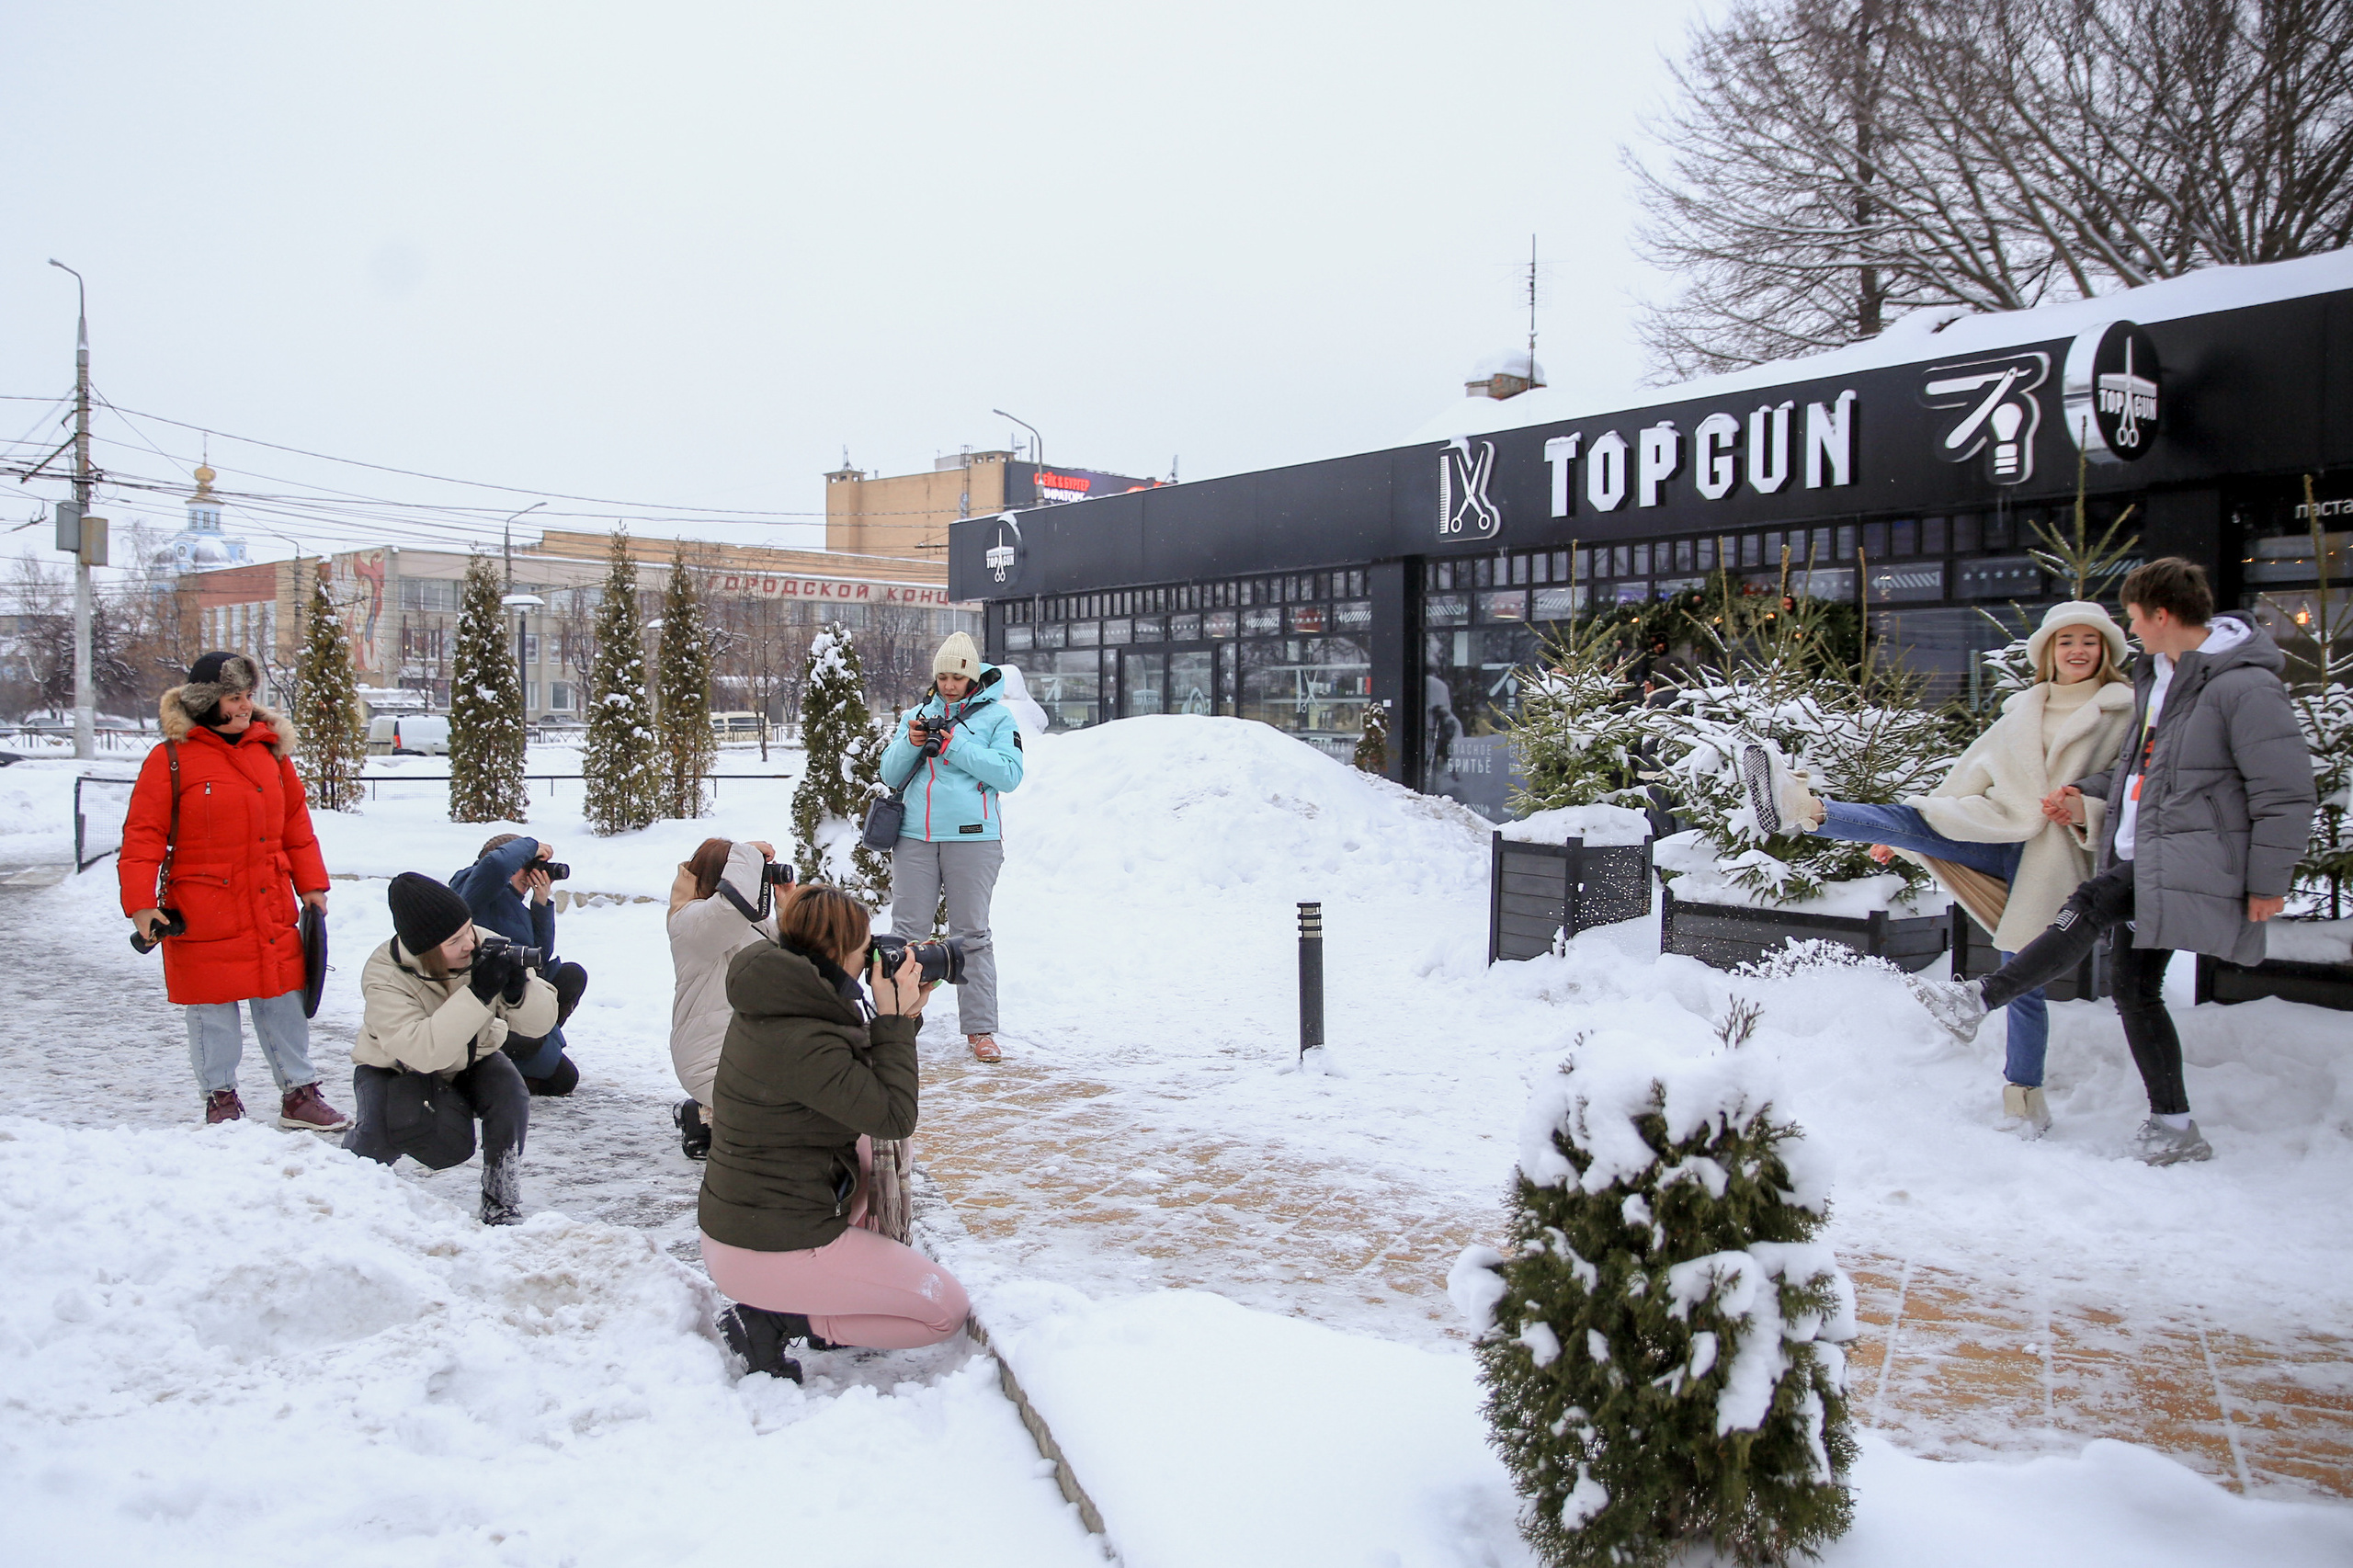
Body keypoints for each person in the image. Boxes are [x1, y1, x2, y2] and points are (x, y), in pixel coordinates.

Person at [1910, 560, 2317, 1165]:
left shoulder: (2242, 687)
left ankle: (1980, 999)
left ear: (2162, 616)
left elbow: (2285, 792)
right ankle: (2174, 1126)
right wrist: (2089, 793)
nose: (2130, 634)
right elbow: (2135, 765)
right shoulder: (2160, 677)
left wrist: (2268, 882)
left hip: (2196, 853)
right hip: (2144, 849)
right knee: (2135, 990)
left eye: (2132, 619)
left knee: (2092, 903)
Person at [1742, 602, 2136, 1137]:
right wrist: (1913, 840)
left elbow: (2127, 785)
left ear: (2106, 650)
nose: (2077, 651)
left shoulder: (2124, 710)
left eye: (2089, 641)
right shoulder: (2023, 708)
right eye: (2066, 641)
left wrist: (2084, 808)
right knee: (1907, 817)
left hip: (2055, 848)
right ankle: (1804, 807)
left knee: (2023, 978)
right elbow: (1967, 775)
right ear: (2049, 651)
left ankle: (2025, 1103)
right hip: (1994, 826)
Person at [699, 883, 970, 1381]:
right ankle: (774, 1318)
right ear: (836, 952)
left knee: (866, 1144)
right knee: (943, 1310)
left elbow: (862, 1083)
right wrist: (891, 1018)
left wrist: (902, 1017)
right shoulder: (799, 1037)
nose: (871, 958)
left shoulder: (786, 998)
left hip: (752, 1225)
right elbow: (893, 1114)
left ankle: (826, 1291)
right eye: (864, 948)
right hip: (767, 1249)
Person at [119, 651, 348, 1131]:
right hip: (203, 909)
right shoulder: (172, 758)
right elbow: (143, 835)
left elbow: (296, 826)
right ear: (206, 701)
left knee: (283, 999)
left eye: (249, 696)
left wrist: (312, 886)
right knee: (211, 1009)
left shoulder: (270, 753)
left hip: (267, 903)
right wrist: (141, 905)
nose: (246, 706)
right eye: (234, 697)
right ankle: (220, 1097)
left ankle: (299, 1094)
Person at [346, 872, 559, 1224]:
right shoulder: (384, 974)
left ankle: (500, 1199)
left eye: (469, 929)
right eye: (454, 940)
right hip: (396, 1067)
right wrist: (477, 995)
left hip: (471, 1057)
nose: (469, 944)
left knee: (509, 1094)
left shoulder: (484, 943)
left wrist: (519, 993)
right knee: (381, 1137)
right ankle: (346, 1180)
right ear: (425, 950)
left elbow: (540, 1025)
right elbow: (424, 1052)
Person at [878, 631, 1024, 1062]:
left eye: (957, 677)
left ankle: (980, 1031)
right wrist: (913, 742)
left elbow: (1010, 775)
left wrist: (955, 745)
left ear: (973, 677)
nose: (948, 685)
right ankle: (896, 1022)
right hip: (915, 839)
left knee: (971, 935)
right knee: (905, 936)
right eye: (941, 676)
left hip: (974, 839)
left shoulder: (998, 719)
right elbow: (889, 772)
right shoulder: (917, 714)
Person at [667, 836, 782, 1159]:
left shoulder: (755, 924)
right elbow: (729, 908)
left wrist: (786, 903)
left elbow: (798, 957)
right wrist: (746, 854)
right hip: (711, 1060)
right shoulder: (689, 921)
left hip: (752, 1054)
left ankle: (712, 1117)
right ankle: (706, 1117)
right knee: (784, 1122)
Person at [450, 834, 585, 1095]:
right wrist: (533, 845)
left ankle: (529, 1043)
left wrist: (541, 903)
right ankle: (488, 1068)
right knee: (563, 1080)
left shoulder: (512, 901)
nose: (532, 873)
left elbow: (541, 956)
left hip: (518, 995)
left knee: (572, 975)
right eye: (528, 866)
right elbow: (494, 866)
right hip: (491, 1004)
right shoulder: (474, 888)